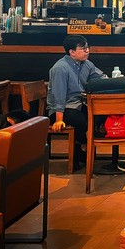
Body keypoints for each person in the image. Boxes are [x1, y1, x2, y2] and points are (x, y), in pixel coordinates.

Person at [47, 34, 106, 166]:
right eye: (83, 49)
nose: (87, 51)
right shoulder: (60, 68)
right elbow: (58, 96)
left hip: (79, 104)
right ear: (72, 52)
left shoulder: (86, 64)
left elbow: (100, 77)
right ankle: (84, 147)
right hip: (62, 108)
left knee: (99, 114)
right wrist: (59, 119)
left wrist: (115, 81)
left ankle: (85, 150)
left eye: (88, 48)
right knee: (81, 120)